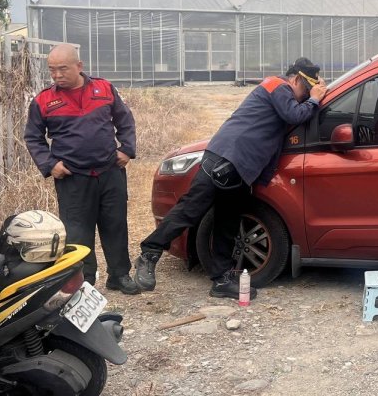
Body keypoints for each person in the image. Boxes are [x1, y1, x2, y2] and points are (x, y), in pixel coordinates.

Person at [134, 58, 327, 298]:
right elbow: (294, 115)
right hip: (226, 159)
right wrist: (315, 99)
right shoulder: (277, 86)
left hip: (240, 167)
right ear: (296, 79)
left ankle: (222, 280)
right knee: (191, 209)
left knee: (227, 222)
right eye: (306, 89)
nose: (305, 95)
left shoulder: (280, 90)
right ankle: (148, 254)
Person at [24, 44, 140, 295]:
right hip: (73, 177)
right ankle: (85, 280)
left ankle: (119, 275)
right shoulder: (44, 100)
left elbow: (125, 120)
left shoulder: (104, 88)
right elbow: (33, 137)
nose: (56, 75)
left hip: (110, 172)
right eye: (52, 70)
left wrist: (126, 149)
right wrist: (49, 164)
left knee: (115, 225)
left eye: (62, 68)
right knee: (78, 232)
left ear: (79, 66)